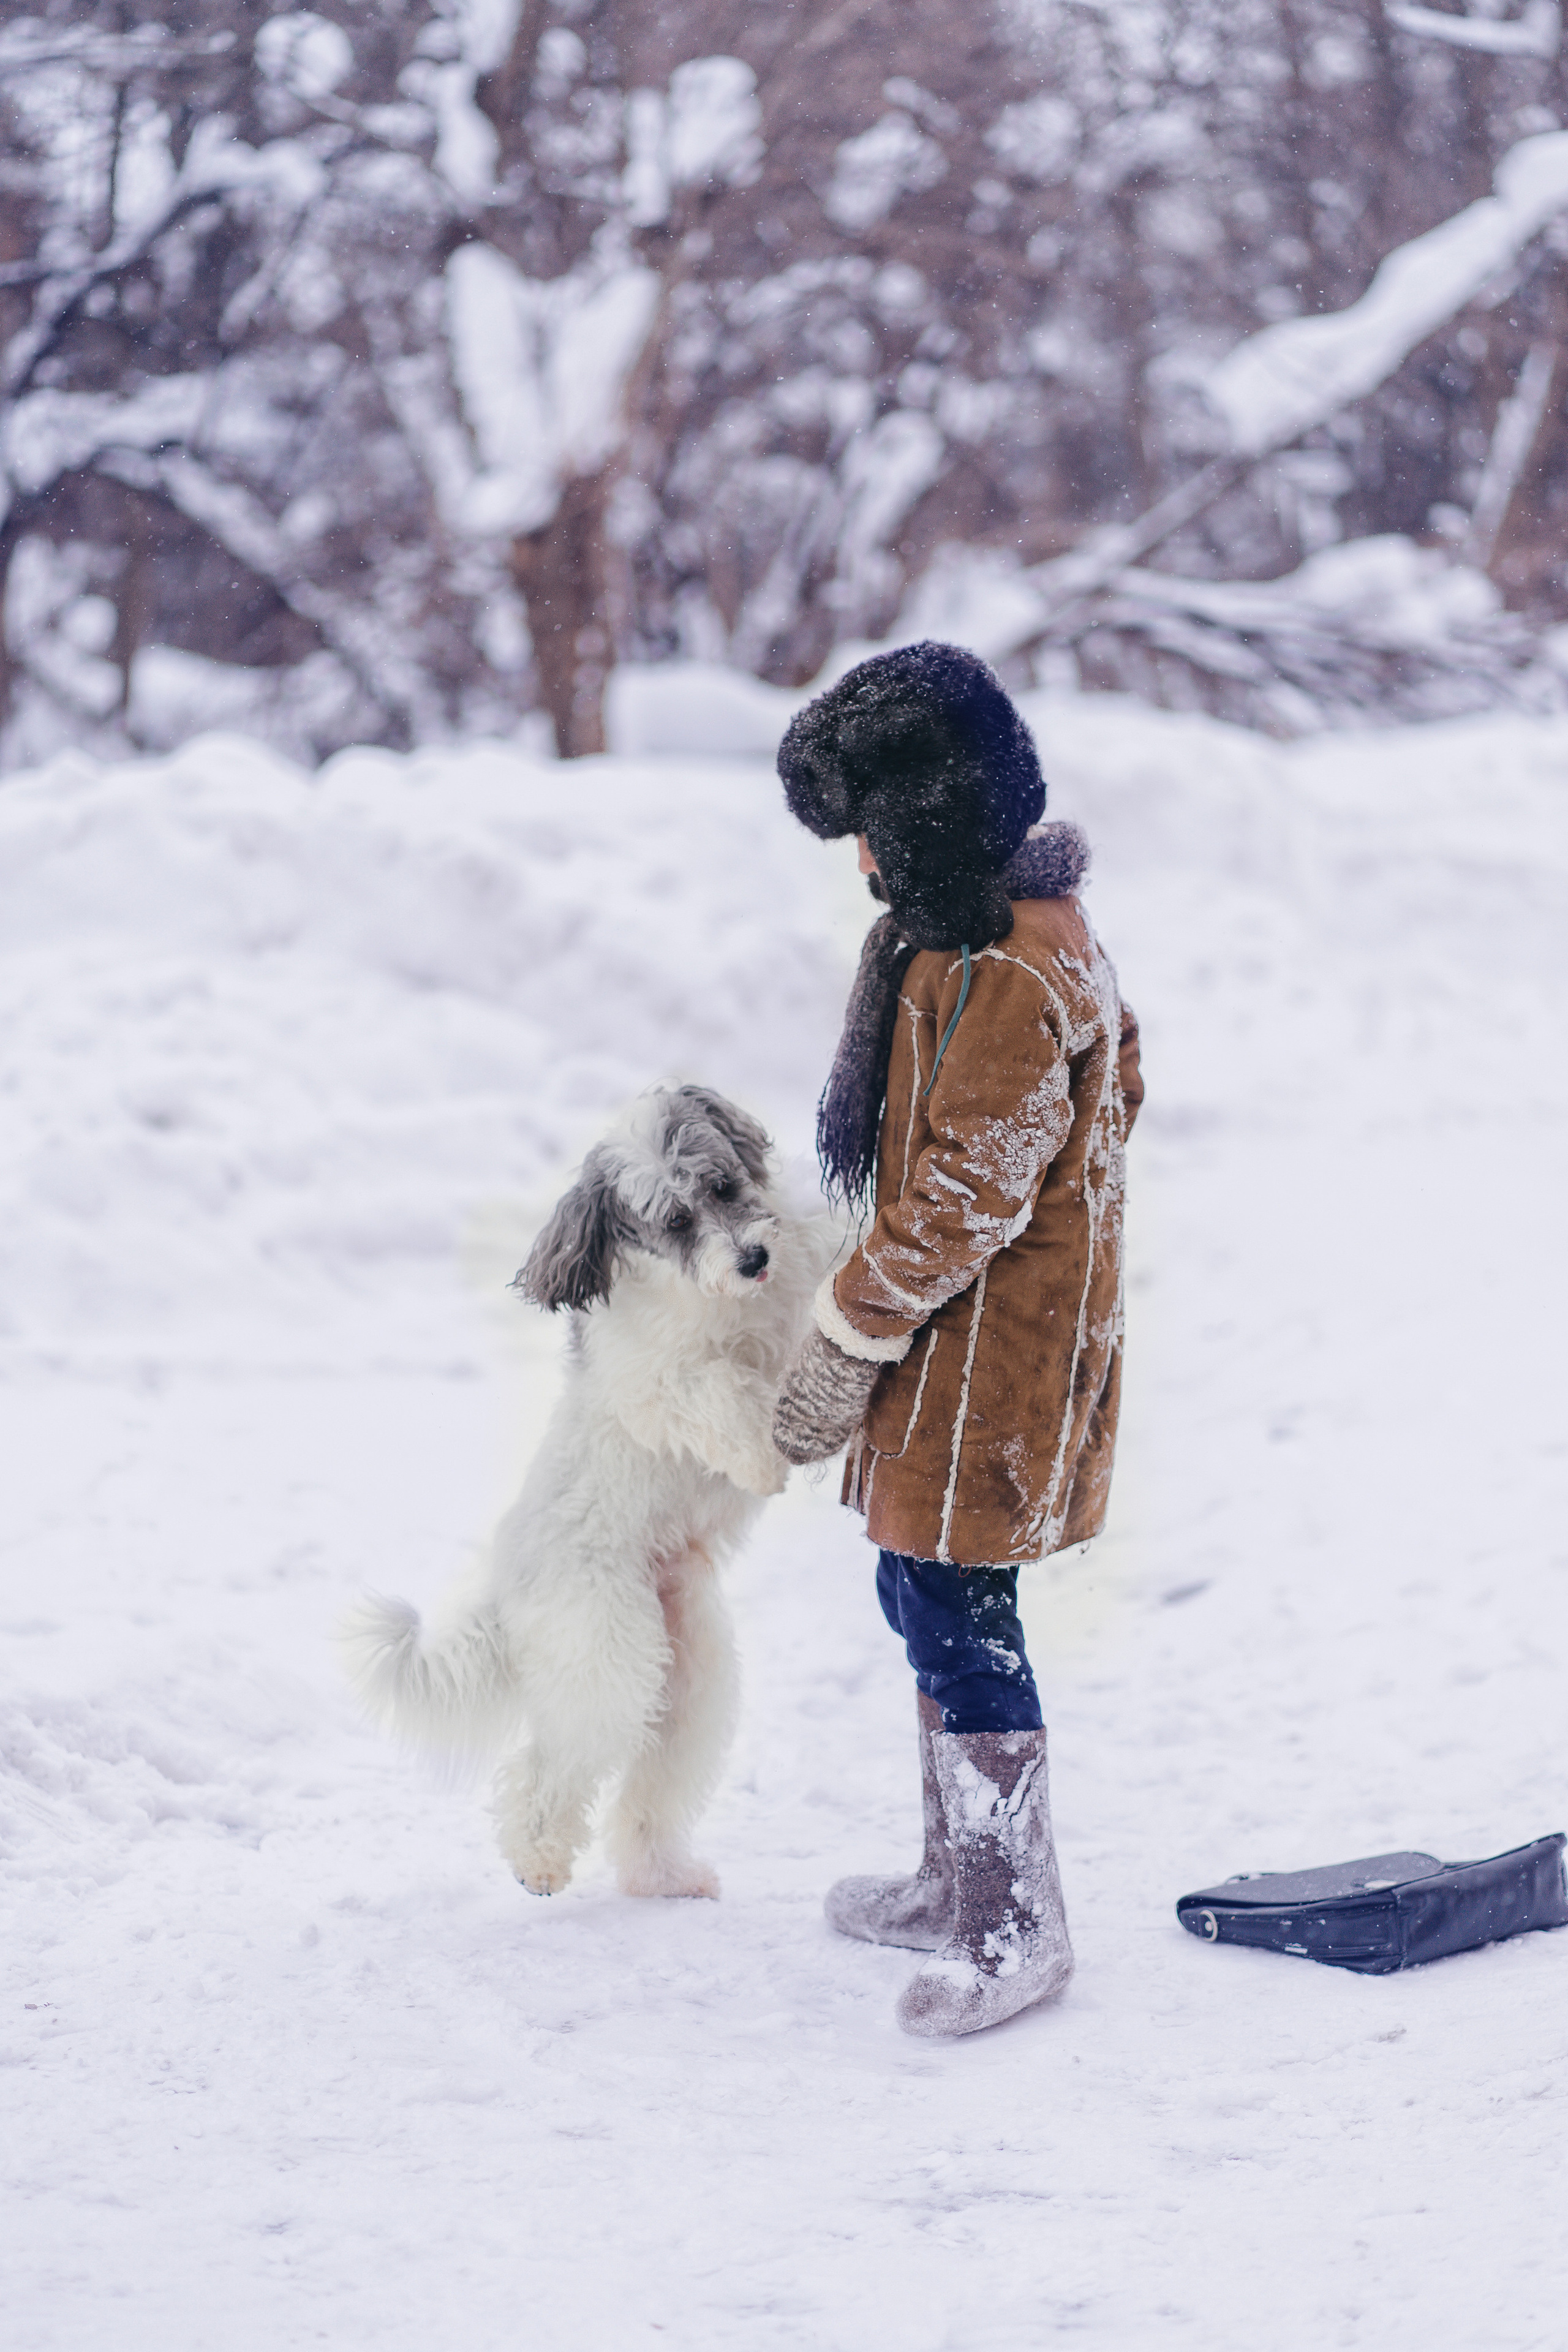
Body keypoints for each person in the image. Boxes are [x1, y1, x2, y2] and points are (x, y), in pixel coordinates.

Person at [771, 641, 1143, 2039]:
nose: (862, 860)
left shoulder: (1004, 968)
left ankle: (1013, 1924)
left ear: (928, 818)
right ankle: (953, 1875)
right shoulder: (974, 934)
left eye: (873, 828)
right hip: (960, 1350)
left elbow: (958, 1197)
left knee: (960, 1620)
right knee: (918, 1598)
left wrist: (840, 1342)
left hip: (993, 1362)